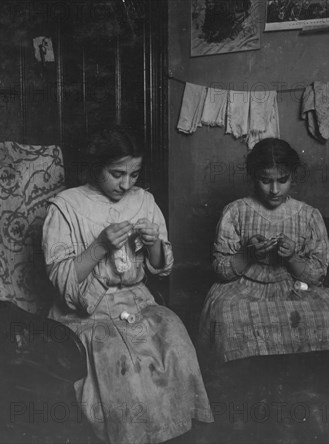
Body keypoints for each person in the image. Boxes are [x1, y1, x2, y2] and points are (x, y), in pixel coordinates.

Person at [42, 127, 213, 444]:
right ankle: (131, 436)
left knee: (174, 338)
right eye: (117, 173)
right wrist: (99, 246)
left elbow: (161, 269)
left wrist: (153, 245)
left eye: (134, 174)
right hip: (86, 313)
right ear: (95, 166)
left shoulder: (144, 200)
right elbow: (62, 283)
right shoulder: (65, 206)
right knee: (122, 361)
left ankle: (173, 435)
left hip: (138, 302)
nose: (126, 184)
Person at [198, 138, 329, 402]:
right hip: (244, 288)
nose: (274, 189)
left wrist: (293, 258)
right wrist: (247, 255)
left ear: (293, 176)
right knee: (228, 315)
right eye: (265, 180)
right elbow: (222, 270)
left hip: (293, 288)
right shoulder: (236, 212)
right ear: (253, 176)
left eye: (282, 180)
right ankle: (245, 392)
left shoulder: (308, 215)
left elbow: (317, 275)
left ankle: (314, 392)